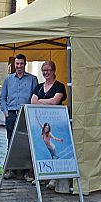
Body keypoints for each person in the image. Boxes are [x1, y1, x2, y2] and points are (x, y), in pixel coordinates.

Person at [0, 53, 38, 180]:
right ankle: (10, 170)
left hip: (25, 114)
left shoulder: (32, 79)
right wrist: (5, 112)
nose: (19, 66)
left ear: (25, 64)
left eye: (21, 63)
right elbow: (2, 98)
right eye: (17, 64)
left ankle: (26, 172)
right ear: (14, 64)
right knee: (11, 142)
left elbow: (35, 97)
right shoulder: (8, 80)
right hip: (11, 114)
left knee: (25, 143)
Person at [31, 60, 68, 192]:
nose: (46, 72)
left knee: (54, 150)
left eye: (48, 70)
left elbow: (55, 101)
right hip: (40, 121)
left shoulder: (60, 86)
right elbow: (32, 101)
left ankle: (53, 177)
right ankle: (41, 174)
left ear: (54, 71)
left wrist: (40, 101)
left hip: (55, 123)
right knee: (40, 149)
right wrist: (44, 102)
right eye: (44, 70)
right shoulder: (39, 86)